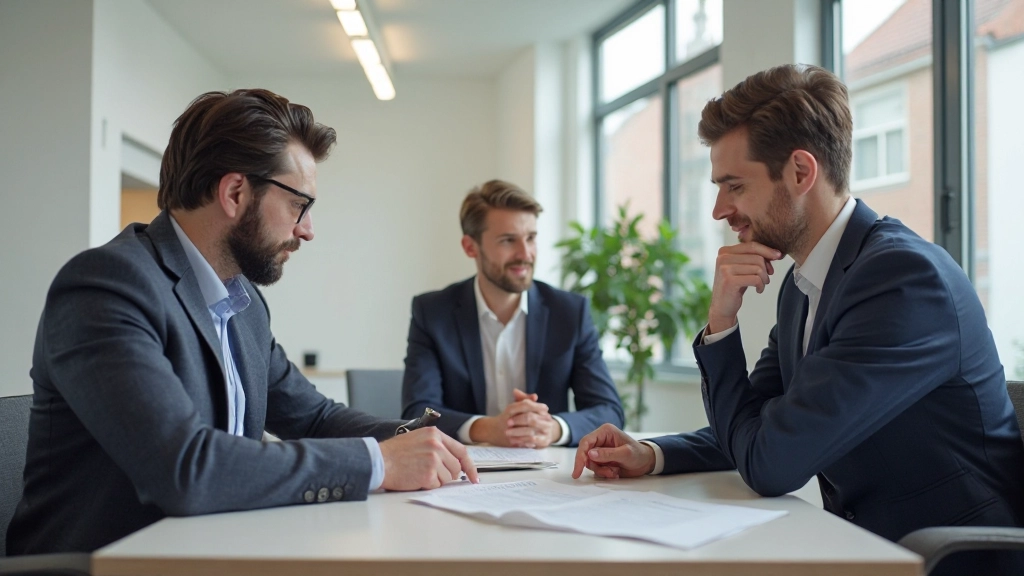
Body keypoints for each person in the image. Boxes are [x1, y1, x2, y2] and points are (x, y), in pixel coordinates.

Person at [572, 65, 1024, 573]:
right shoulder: (805, 284)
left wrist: (722, 320)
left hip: (952, 561)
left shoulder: (900, 279)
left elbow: (771, 461)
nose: (720, 209)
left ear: (801, 173)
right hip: (866, 550)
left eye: (734, 186)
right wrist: (653, 453)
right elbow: (759, 420)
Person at [8, 88, 477, 556]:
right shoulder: (107, 286)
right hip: (110, 565)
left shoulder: (242, 301)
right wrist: (378, 462)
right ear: (234, 193)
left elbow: (313, 416)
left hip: (217, 552)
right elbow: (185, 469)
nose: (307, 230)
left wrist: (411, 440)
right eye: (299, 205)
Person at [402, 180, 623, 448]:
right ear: (471, 247)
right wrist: (487, 428)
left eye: (531, 238)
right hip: (460, 472)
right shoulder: (433, 313)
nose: (525, 254)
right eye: (508, 240)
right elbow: (417, 412)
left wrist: (552, 428)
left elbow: (608, 410)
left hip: (549, 472)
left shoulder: (570, 312)